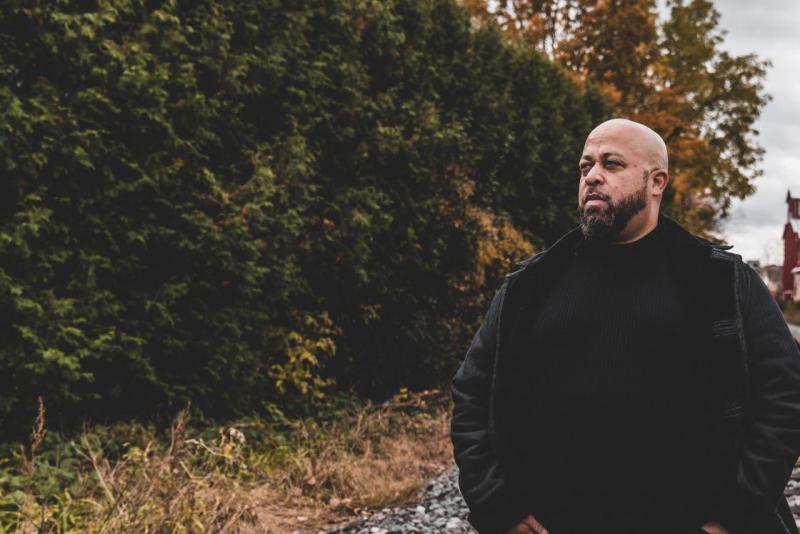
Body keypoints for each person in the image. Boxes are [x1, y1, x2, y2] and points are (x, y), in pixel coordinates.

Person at [450, 118, 800, 534]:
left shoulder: (719, 282)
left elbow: (785, 395)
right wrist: (498, 507)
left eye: (611, 164)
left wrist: (732, 517)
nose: (592, 176)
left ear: (657, 182)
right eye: (585, 167)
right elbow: (472, 395)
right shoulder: (531, 285)